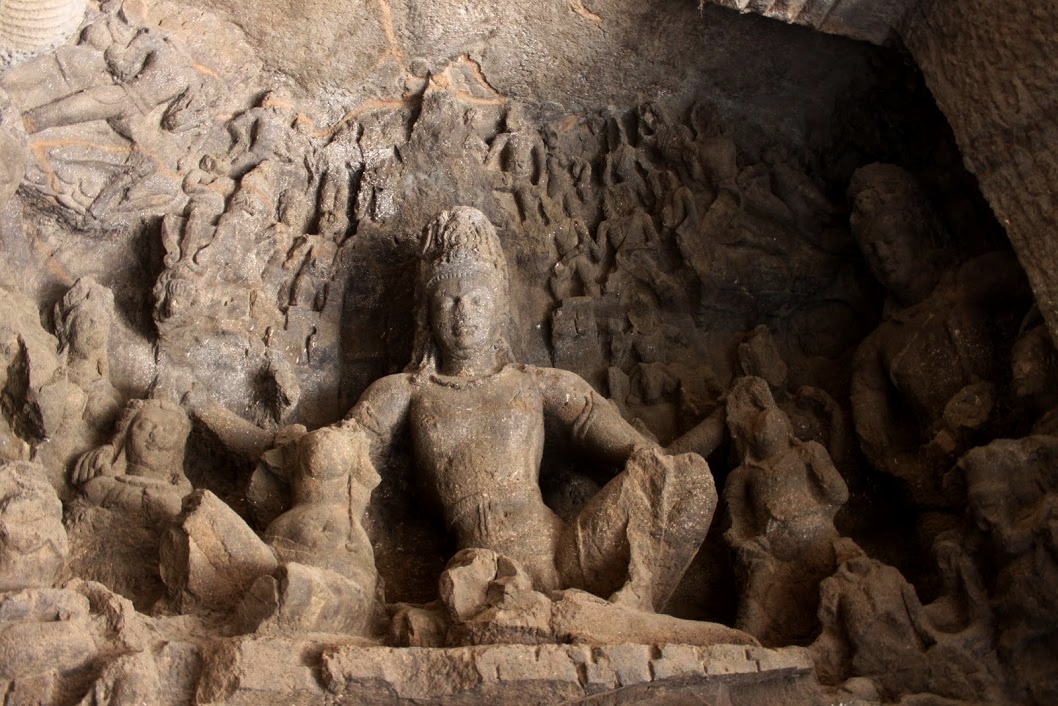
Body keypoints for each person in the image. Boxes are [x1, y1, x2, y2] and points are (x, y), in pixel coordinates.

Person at [326, 206, 717, 613]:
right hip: (485, 572)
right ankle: (602, 618)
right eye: (449, 301)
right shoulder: (405, 392)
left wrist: (717, 428)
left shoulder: (541, 383)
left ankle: (636, 608)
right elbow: (335, 455)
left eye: (477, 300)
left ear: (498, 308)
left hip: (566, 554)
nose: (463, 315)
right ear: (428, 313)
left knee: (688, 477)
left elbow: (647, 458)